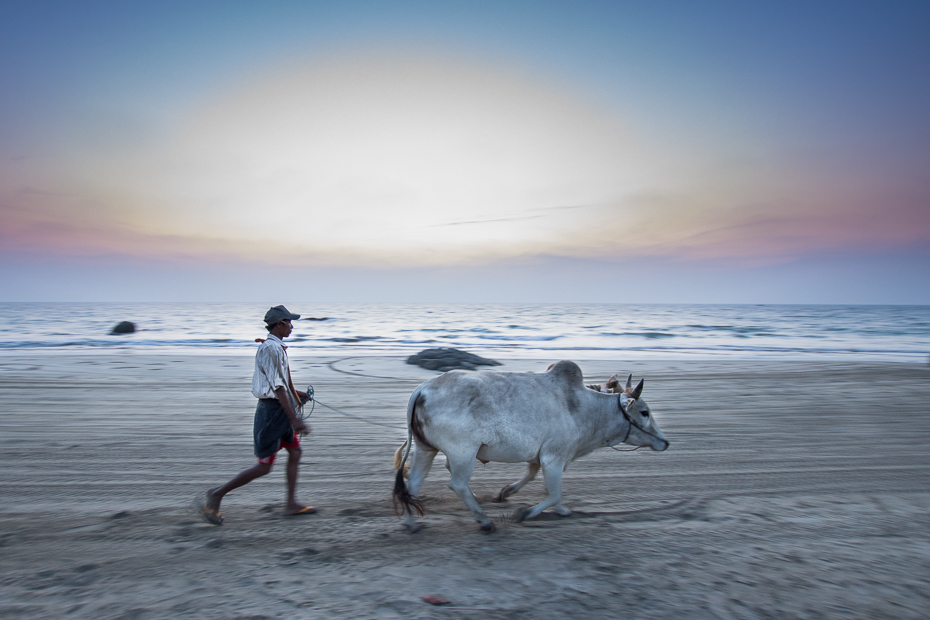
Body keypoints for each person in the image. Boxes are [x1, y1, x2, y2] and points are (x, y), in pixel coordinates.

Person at [201, 305, 315, 525]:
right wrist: (294, 418)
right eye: (289, 322)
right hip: (273, 413)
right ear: (280, 324)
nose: (292, 326)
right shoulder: (270, 349)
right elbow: (277, 387)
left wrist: (298, 395)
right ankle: (216, 495)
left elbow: (280, 383)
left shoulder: (276, 348)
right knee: (264, 466)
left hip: (281, 410)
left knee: (295, 452)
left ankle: (291, 503)